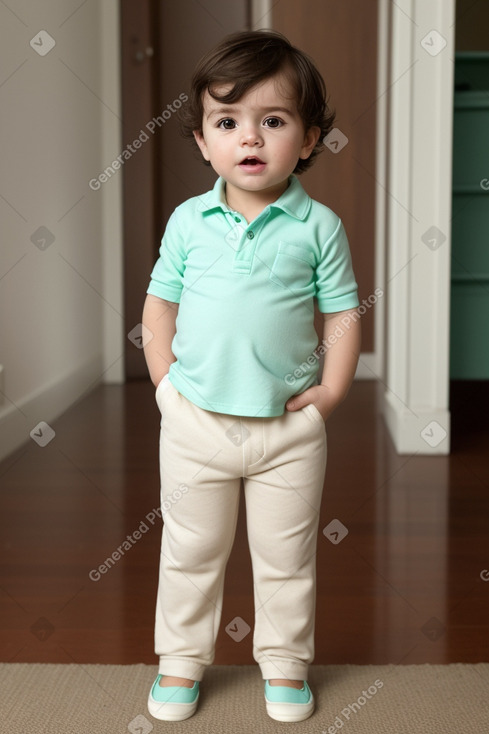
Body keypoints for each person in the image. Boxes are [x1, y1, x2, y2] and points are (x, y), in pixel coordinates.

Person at [142, 28, 361, 723]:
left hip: (287, 432)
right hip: (195, 423)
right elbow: (159, 304)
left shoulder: (317, 226)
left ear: (308, 139)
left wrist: (328, 394)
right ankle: (179, 663)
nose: (250, 138)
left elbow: (343, 314)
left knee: (286, 557)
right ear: (204, 141)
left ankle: (285, 664)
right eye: (227, 121)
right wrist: (163, 388)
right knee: (190, 551)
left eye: (273, 120)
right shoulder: (188, 221)